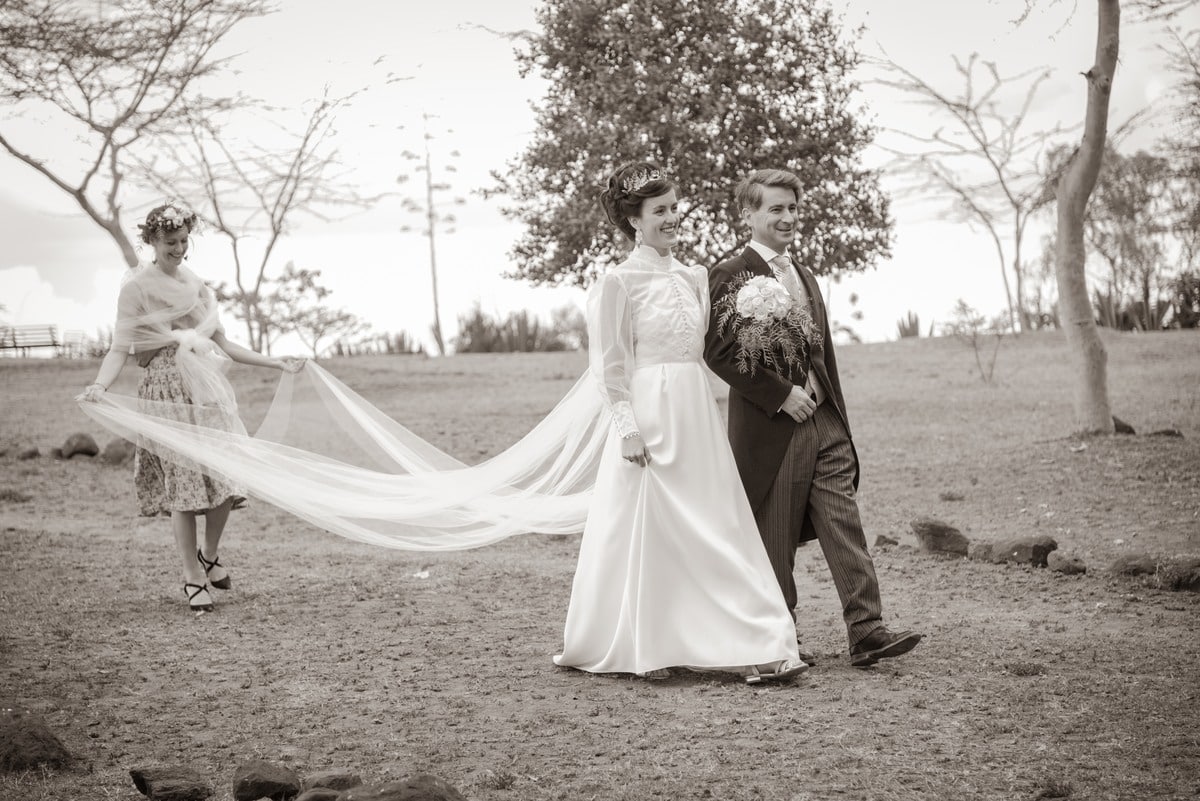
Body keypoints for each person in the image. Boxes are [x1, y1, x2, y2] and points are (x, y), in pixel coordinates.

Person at [552, 162, 808, 684]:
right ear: (635, 221)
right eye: (660, 211)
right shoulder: (618, 283)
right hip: (649, 417)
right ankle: (649, 645)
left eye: (674, 208)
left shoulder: (695, 277)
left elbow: (710, 349)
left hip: (696, 415)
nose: (672, 218)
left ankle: (754, 642)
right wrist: (627, 430)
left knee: (718, 528)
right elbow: (610, 369)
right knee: (655, 533)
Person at [704, 168, 922, 668]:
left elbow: (821, 354)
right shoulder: (729, 274)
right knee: (775, 537)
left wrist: (834, 413)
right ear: (748, 214)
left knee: (845, 523)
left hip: (826, 422)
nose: (787, 217)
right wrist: (781, 395)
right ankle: (779, 638)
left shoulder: (805, 276)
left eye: (793, 208)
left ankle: (867, 631)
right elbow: (718, 352)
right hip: (774, 429)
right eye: (775, 209)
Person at [77, 202, 303, 613]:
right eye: (171, 242)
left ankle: (209, 553)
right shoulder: (136, 289)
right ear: (152, 240)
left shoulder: (196, 286)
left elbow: (224, 343)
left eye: (184, 241)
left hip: (204, 391)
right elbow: (119, 349)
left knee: (225, 478)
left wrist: (275, 362)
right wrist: (99, 384)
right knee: (182, 488)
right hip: (163, 392)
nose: (179, 249)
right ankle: (191, 576)